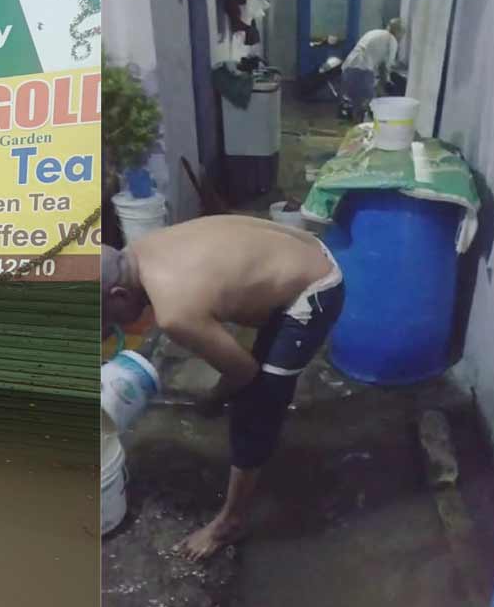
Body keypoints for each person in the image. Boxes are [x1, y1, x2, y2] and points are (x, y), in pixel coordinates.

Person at [101, 215, 345, 560]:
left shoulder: (174, 312)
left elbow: (244, 372)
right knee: (245, 374)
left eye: (106, 317)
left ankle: (231, 521)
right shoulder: (140, 249)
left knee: (257, 403)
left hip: (316, 289)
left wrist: (214, 397)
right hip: (307, 250)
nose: (109, 327)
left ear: (119, 293)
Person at [340, 18, 404, 121]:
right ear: (398, 32)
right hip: (362, 71)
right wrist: (386, 85)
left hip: (347, 69)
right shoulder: (392, 40)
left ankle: (358, 131)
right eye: (402, 33)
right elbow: (385, 68)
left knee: (358, 108)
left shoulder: (374, 32)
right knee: (371, 108)